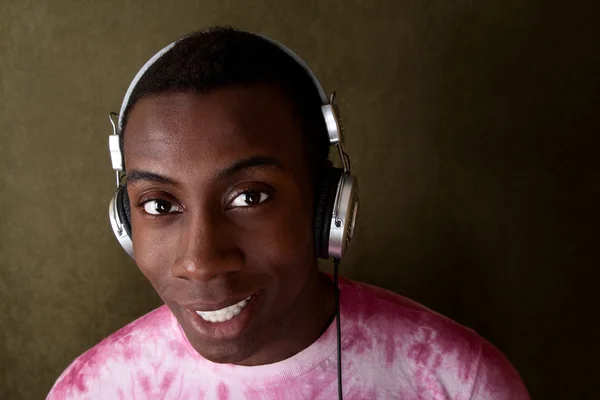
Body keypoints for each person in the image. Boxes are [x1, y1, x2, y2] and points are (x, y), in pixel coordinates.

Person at [47, 27, 530, 399]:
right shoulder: (93, 390)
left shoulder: (458, 382)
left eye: (250, 197)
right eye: (159, 204)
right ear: (126, 224)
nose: (201, 261)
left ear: (327, 208)